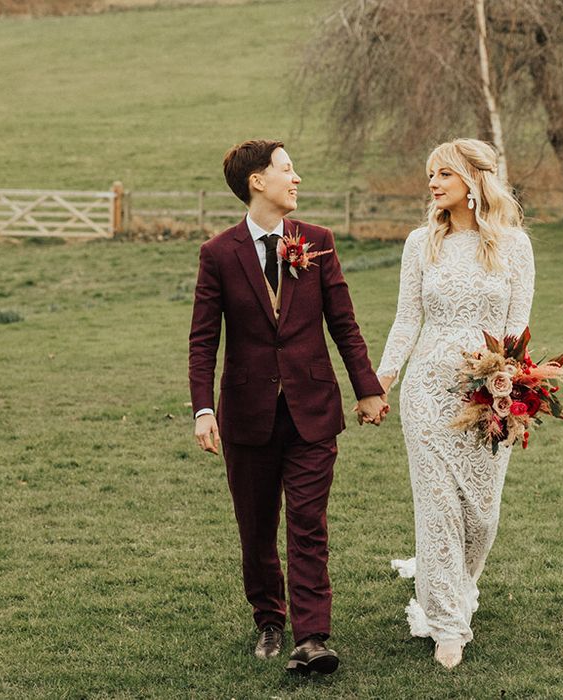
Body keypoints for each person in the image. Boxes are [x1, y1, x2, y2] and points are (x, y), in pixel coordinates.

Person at [189, 139, 388, 675]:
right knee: (255, 526)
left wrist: (367, 387)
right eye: (286, 169)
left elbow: (343, 323)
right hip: (247, 414)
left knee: (307, 521)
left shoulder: (317, 243)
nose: (296, 178)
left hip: (313, 409)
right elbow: (203, 340)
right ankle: (269, 620)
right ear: (258, 181)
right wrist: (202, 409)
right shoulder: (219, 253)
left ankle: (313, 636)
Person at [375, 138, 535, 669]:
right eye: (430, 176)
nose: (433, 184)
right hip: (426, 391)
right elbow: (406, 318)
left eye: (443, 174)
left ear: (473, 180)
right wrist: (384, 377)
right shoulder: (421, 243)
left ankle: (455, 584)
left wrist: (508, 384)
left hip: (488, 394)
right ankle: (446, 622)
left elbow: (516, 329)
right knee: (437, 505)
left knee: (481, 515)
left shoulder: (513, 246)